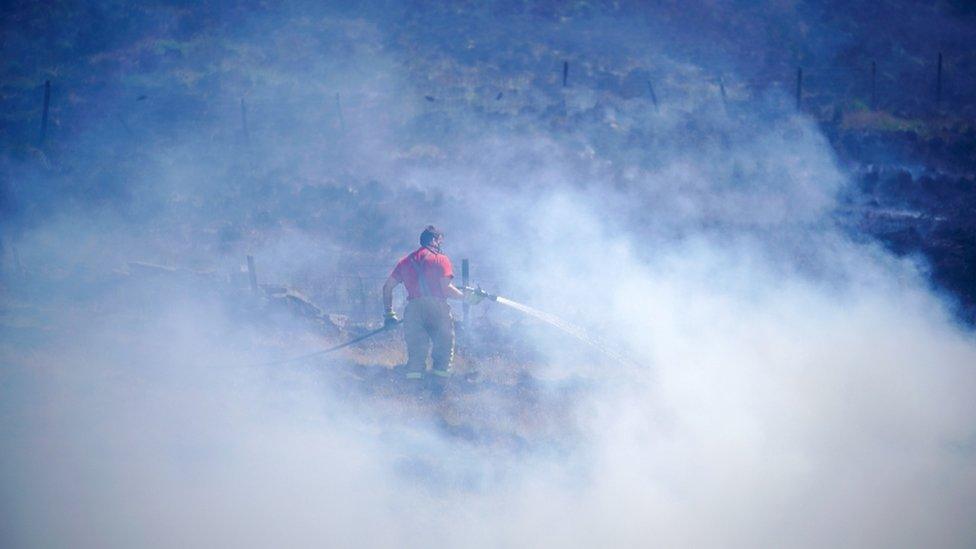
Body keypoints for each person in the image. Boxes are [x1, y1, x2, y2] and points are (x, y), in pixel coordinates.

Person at [382, 225, 475, 393]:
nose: (440, 245)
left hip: (414, 310)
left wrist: (389, 315)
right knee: (443, 352)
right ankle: (439, 394)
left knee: (416, 355)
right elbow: (446, 289)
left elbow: (387, 287)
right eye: (440, 241)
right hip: (438, 309)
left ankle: (413, 394)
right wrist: (465, 297)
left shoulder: (405, 261)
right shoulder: (441, 259)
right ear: (434, 240)